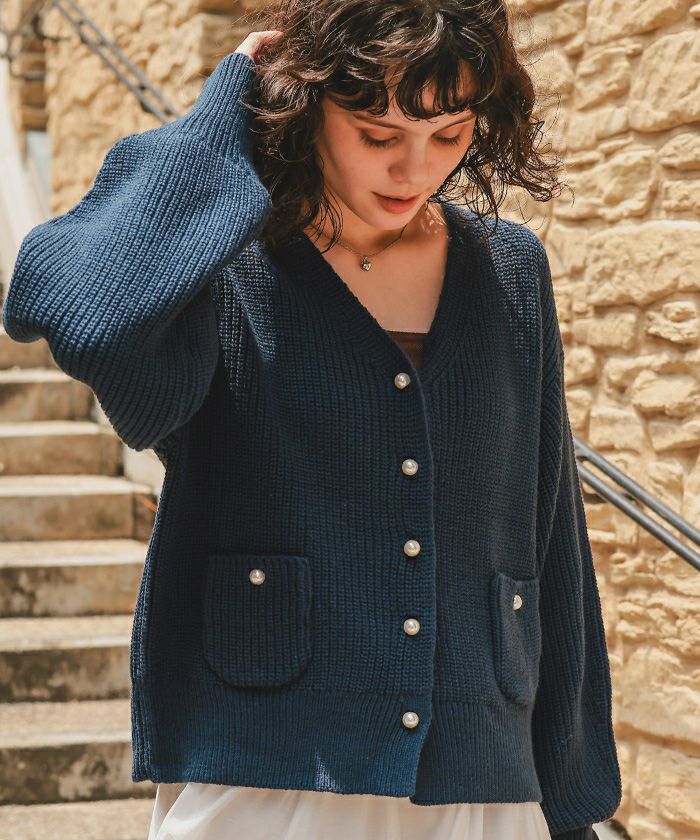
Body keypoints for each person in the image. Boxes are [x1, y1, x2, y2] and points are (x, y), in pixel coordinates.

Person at [2, 1, 622, 839]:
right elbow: (84, 313)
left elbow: (548, 534)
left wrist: (573, 800)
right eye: (377, 133)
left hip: (478, 774)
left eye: (448, 134)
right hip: (264, 773)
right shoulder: (224, 265)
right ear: (309, 101)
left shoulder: (510, 270)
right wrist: (229, 109)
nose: (414, 168)